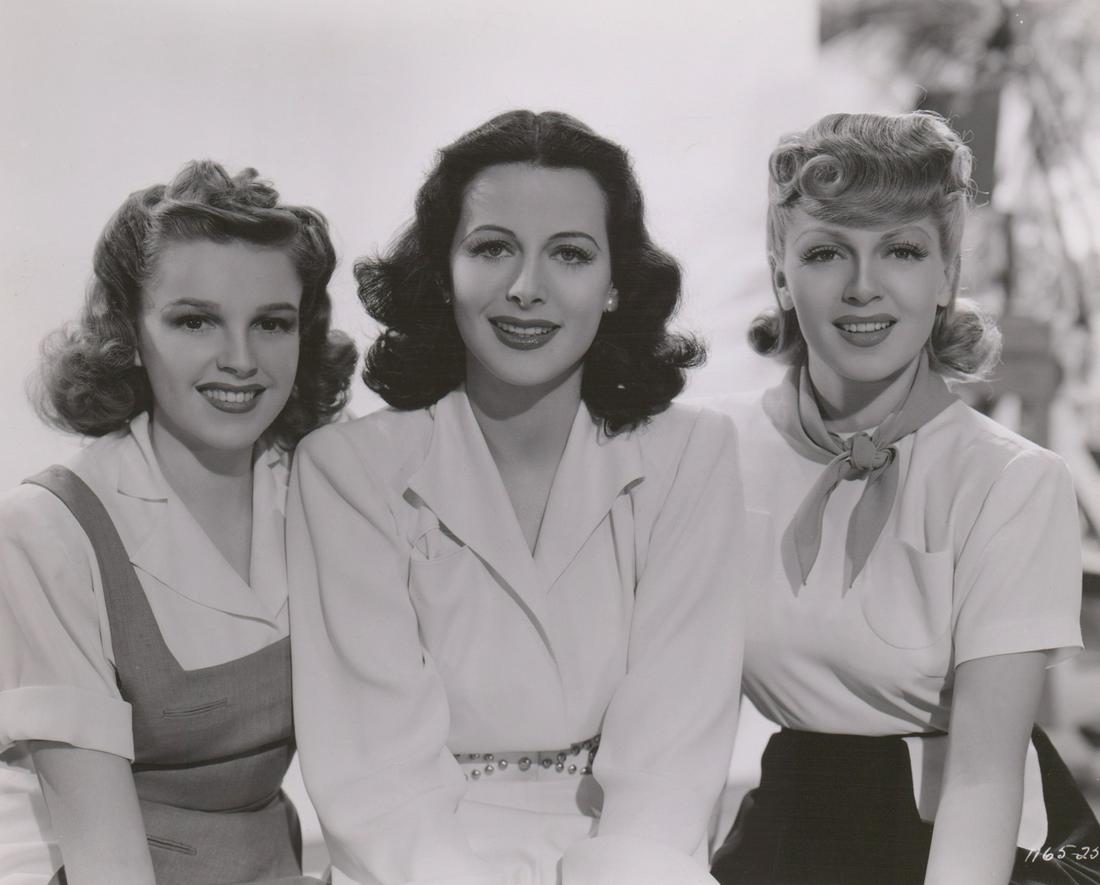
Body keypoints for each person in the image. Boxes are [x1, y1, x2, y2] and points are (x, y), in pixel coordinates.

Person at [287, 109, 746, 885]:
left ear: (615, 284)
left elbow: (670, 768)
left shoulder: (692, 455)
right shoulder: (345, 469)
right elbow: (376, 783)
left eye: (570, 254)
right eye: (492, 248)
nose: (527, 289)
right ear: (443, 274)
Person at [709, 111, 1098, 885]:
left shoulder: (1014, 481)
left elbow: (984, 779)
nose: (864, 287)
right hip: (794, 815)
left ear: (946, 275)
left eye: (903, 250)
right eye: (826, 252)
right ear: (781, 273)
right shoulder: (713, 454)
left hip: (979, 837)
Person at [0, 160, 357, 885]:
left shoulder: (327, 495)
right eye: (195, 321)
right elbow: (105, 861)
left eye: (272, 323)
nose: (240, 361)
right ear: (129, 332)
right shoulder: (46, 531)